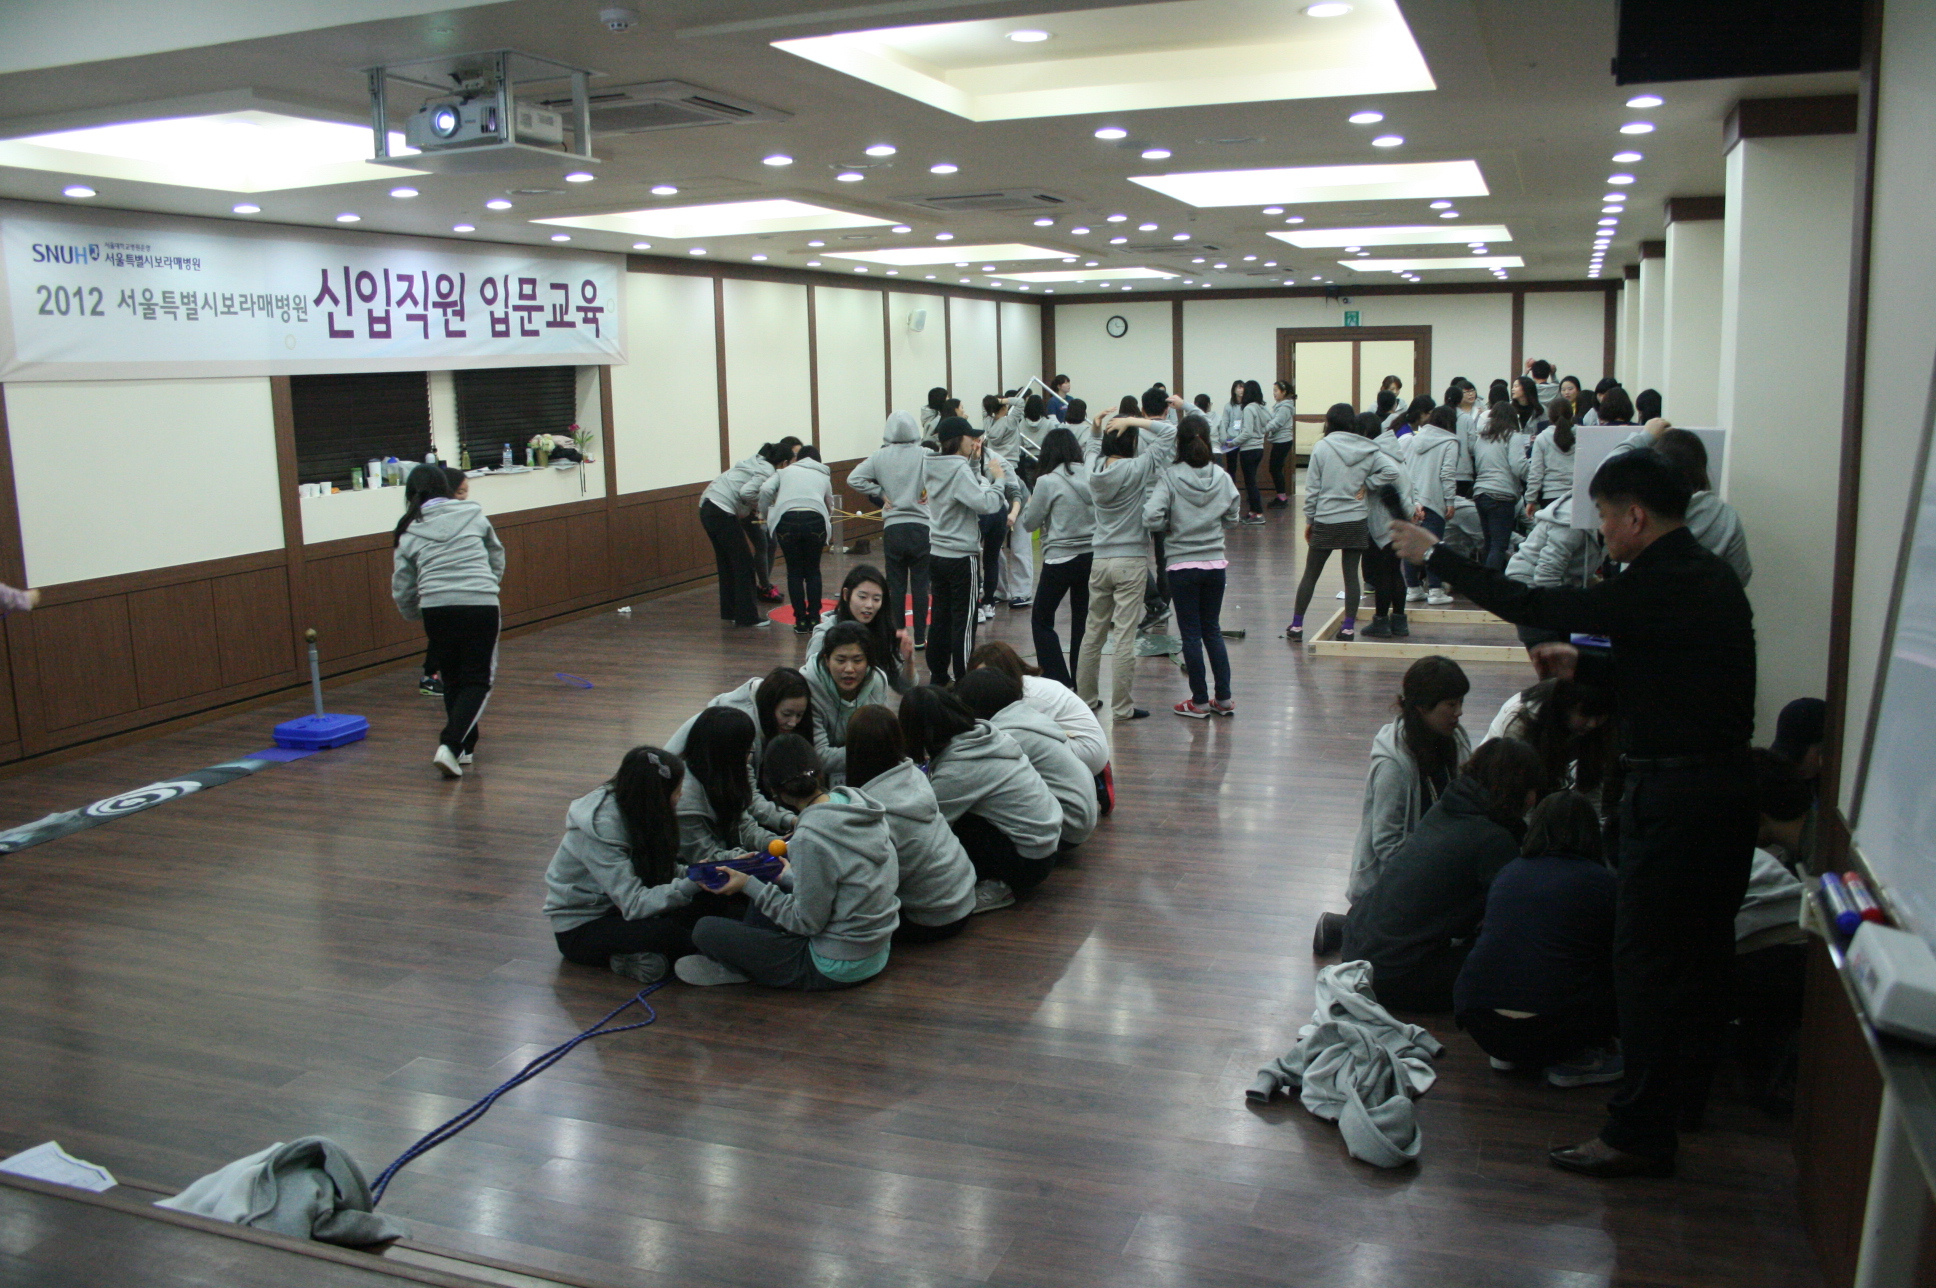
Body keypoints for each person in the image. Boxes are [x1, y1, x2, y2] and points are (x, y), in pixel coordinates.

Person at [1390, 447, 1758, 1179]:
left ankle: (1638, 1133)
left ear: (1635, 516)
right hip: (1724, 793)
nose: (1603, 532)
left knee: (1642, 962)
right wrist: (1583, 667)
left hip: (1674, 801)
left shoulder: (1653, 580)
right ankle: (1682, 1099)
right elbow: (1674, 680)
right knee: (1701, 953)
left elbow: (1533, 604)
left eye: (1605, 518)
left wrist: (1437, 555)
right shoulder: (1711, 579)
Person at [1340, 737, 1544, 1012]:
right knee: (1511, 960)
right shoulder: (1494, 841)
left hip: (1357, 949)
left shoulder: (1446, 808)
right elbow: (1517, 917)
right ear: (1522, 792)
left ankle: (1335, 927)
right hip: (1393, 975)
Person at [680, 734, 899, 989]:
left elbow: (807, 923)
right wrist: (786, 877)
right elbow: (846, 882)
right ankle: (752, 955)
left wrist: (748, 885)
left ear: (775, 791)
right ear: (819, 771)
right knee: (773, 869)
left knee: (705, 930)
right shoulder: (856, 803)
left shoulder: (809, 838)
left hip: (835, 965)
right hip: (877, 951)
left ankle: (745, 965)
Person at [1454, 790, 1620, 1083]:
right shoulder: (1602, 882)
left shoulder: (1508, 873)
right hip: (1557, 1027)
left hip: (1483, 1022)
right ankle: (1577, 1060)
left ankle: (1512, 1054)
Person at [1314, 655, 1473, 955]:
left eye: (1461, 702)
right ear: (1422, 706)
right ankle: (1348, 927)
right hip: (1394, 881)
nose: (1459, 712)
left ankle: (1357, 927)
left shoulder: (1455, 738)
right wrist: (1442, 867)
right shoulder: (1394, 766)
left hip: (1434, 864)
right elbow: (1387, 846)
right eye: (1451, 704)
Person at [543, 745, 742, 984]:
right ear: (656, 795)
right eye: (677, 790)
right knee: (668, 934)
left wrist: (703, 872)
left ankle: (657, 954)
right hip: (582, 927)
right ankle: (722, 957)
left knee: (711, 898)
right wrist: (690, 883)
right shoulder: (600, 830)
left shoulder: (640, 811)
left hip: (620, 908)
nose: (681, 796)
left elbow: (659, 871)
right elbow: (634, 903)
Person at [898, 685, 1062, 913]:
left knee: (944, 833)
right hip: (1046, 847)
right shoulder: (985, 736)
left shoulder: (959, 769)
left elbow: (930, 827)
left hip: (1028, 863)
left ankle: (996, 886)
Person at [391, 462, 505, 779]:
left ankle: (465, 747)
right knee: (479, 681)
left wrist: (414, 612)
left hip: (436, 609)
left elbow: (403, 584)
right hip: (479, 604)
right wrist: (488, 585)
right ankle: (450, 745)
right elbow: (496, 556)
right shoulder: (473, 514)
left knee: (453, 679)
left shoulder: (408, 529)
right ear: (446, 488)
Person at [844, 705, 977, 942]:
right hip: (965, 895)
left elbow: (870, 883)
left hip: (934, 916)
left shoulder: (871, 809)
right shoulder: (916, 775)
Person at [1145, 415, 1241, 715]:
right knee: (1212, 630)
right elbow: (1233, 517)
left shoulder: (1170, 477)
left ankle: (1199, 701)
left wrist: (1168, 525)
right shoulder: (1222, 476)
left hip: (1182, 566)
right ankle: (1223, 700)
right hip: (1215, 564)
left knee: (1190, 634)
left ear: (1179, 443)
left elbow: (1150, 516)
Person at [1287, 402, 1398, 644]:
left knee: (1311, 574)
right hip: (1355, 519)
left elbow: (1312, 489)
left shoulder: (1322, 447)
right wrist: (1367, 484)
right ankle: (1347, 628)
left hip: (1326, 518)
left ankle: (1296, 625)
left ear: (1329, 423)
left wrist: (1310, 519)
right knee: (1351, 576)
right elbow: (1392, 472)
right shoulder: (1367, 448)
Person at [956, 667, 1098, 848]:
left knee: (972, 806)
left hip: (1066, 827)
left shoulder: (1005, 736)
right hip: (1080, 817)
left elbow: (971, 776)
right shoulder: (1028, 716)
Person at [1076, 419, 1160, 722]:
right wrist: (1134, 420)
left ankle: (1086, 700)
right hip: (1130, 561)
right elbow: (1170, 433)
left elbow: (1090, 450)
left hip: (1100, 560)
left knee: (1093, 634)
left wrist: (1096, 429)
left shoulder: (1093, 470)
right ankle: (1122, 708)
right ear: (1132, 443)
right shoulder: (1137, 468)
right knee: (1124, 637)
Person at [924, 417, 1008, 684]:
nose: (974, 441)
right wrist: (999, 479)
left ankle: (938, 676)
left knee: (940, 618)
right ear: (958, 439)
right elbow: (986, 504)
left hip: (938, 553)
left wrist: (972, 462)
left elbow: (960, 489)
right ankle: (963, 680)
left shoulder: (933, 463)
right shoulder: (958, 469)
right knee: (965, 620)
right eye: (970, 437)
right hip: (961, 556)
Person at [967, 641, 1112, 781]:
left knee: (1009, 744)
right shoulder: (1023, 686)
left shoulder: (1028, 695)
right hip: (1081, 748)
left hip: (1087, 752)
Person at [848, 411, 932, 648]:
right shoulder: (926, 454)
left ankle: (897, 636)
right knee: (921, 586)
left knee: (895, 588)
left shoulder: (879, 456)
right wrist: (929, 491)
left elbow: (854, 479)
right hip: (921, 528)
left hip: (893, 529)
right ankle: (920, 638)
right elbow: (946, 474)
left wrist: (880, 493)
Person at [1020, 426, 1095, 688]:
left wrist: (1030, 502)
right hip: (1091, 555)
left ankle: (1058, 680)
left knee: (1041, 619)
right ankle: (1082, 684)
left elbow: (1029, 523)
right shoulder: (1091, 475)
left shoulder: (1046, 481)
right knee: (1082, 623)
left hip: (1060, 558)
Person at [674, 707, 796, 869]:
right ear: (728, 754)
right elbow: (704, 857)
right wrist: (751, 859)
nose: (749, 758)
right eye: (746, 751)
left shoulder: (725, 776)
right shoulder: (685, 801)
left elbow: (745, 827)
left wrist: (777, 843)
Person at [666, 667, 814, 788]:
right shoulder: (742, 728)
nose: (793, 723)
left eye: (799, 715)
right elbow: (746, 792)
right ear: (769, 706)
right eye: (786, 714)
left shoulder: (761, 709)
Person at [698, 443, 791, 628]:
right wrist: (762, 505)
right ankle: (747, 617)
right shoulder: (768, 470)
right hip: (721, 511)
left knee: (727, 564)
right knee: (744, 565)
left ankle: (731, 612)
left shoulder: (756, 461)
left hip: (707, 508)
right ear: (784, 463)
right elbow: (746, 492)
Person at [1485, 677, 1615, 802]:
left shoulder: (1592, 727)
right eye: (1585, 715)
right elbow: (1512, 791)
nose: (1592, 724)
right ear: (1566, 706)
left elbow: (1592, 786)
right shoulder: (1521, 721)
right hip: (1499, 784)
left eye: (1600, 717)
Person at [758, 444, 834, 634]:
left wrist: (764, 513)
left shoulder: (784, 472)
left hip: (787, 521)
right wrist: (826, 516)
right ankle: (814, 618)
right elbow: (830, 504)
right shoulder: (823, 474)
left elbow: (766, 489)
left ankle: (800, 620)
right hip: (815, 520)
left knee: (794, 572)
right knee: (813, 571)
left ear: (798, 458)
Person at [804, 621, 892, 780]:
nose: (849, 669)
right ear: (827, 660)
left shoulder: (877, 682)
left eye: (858, 660)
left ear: (868, 661)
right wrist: (872, 752)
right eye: (840, 660)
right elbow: (819, 756)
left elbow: (882, 736)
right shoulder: (809, 687)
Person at [806, 565, 913, 691]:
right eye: (862, 597)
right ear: (846, 595)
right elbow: (811, 680)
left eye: (876, 599)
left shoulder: (884, 631)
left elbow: (904, 687)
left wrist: (908, 660)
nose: (869, 605)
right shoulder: (825, 634)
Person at [1361, 415, 1416, 639]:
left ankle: (1381, 621)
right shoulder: (1393, 451)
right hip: (1400, 516)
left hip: (1385, 521)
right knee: (1394, 571)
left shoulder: (1377, 455)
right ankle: (1399, 622)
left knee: (1383, 573)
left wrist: (1366, 484)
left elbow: (1388, 475)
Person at [1401, 405, 1461, 607]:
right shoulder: (1450, 442)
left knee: (1411, 545)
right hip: (1434, 500)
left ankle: (1412, 588)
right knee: (1434, 547)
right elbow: (1447, 474)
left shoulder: (1414, 439)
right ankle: (1435, 590)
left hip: (1413, 500)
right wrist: (1450, 501)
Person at [1473, 401, 1530, 569]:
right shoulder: (1512, 435)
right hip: (1502, 494)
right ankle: (1492, 583)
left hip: (1481, 493)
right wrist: (1534, 477)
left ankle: (1484, 580)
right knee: (1499, 545)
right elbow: (1518, 465)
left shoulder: (1482, 438)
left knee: (1489, 543)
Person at [1524, 399, 1577, 518]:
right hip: (1577, 495)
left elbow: (1536, 472)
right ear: (1571, 414)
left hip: (1550, 496)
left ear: (1550, 416)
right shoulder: (1582, 435)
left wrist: (1530, 499)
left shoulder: (1542, 438)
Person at [1228, 379, 1269, 524]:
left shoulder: (1249, 409)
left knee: (1250, 483)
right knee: (1251, 481)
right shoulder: (1260, 407)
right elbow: (1268, 423)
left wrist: (1233, 443)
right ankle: (1252, 512)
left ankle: (1258, 514)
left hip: (1249, 449)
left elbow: (1247, 433)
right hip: (1259, 448)